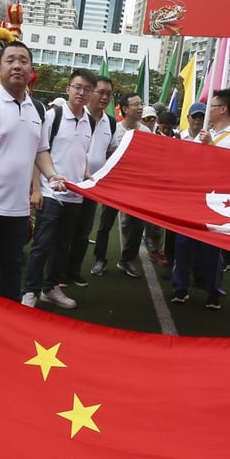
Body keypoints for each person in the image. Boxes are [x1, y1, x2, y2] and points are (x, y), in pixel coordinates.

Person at [0, 41, 66, 304]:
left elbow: (41, 151)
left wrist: (52, 175)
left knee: (12, 267)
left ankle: (8, 323)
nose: (17, 65)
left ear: (31, 69)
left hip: (18, 210)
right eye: (10, 60)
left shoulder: (39, 109)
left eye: (23, 60)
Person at [23, 69, 97, 310]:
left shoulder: (90, 121)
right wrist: (36, 189)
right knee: (42, 244)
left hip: (76, 194)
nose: (81, 92)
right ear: (68, 89)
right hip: (50, 191)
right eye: (77, 87)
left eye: (87, 89)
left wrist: (86, 174)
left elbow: (82, 152)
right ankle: (30, 291)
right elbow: (38, 151)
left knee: (62, 246)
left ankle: (51, 287)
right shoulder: (53, 115)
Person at [170, 89, 230, 310]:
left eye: (211, 107)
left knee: (211, 248)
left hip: (219, 201)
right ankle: (180, 287)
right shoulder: (204, 133)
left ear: (223, 109)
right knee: (183, 244)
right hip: (194, 197)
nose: (207, 112)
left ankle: (212, 290)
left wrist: (210, 146)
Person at [67, 75, 120, 285]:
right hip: (70, 184)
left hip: (92, 188)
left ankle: (74, 271)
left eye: (109, 93)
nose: (105, 97)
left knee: (83, 231)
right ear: (90, 92)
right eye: (101, 92)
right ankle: (58, 273)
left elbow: (112, 152)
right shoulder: (76, 116)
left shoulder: (112, 123)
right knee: (65, 231)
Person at [94, 93, 151, 279]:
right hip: (113, 186)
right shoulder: (114, 129)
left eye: (141, 104)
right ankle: (100, 259)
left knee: (138, 224)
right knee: (105, 224)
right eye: (136, 104)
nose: (141, 107)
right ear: (125, 109)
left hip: (136, 188)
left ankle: (127, 260)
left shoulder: (146, 132)